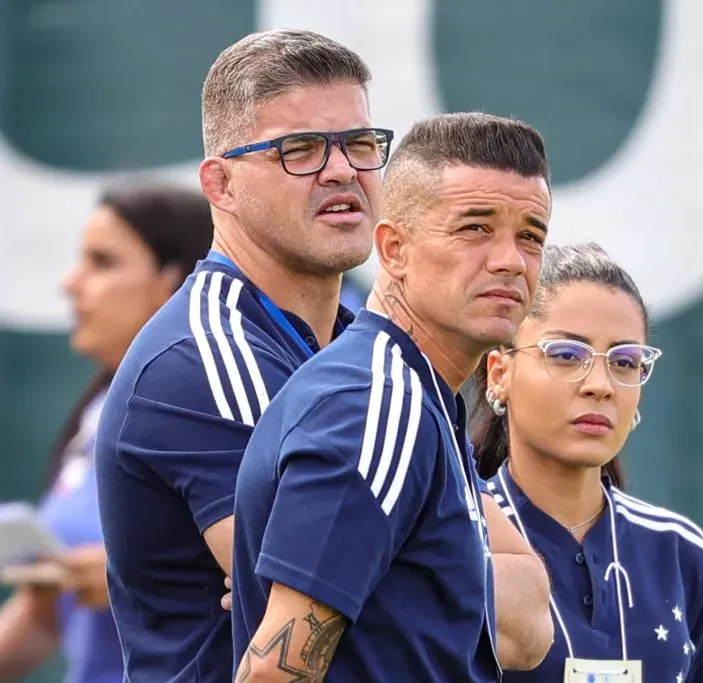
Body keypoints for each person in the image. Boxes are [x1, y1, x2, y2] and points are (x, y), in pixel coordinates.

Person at [94, 29, 390, 682]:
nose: (342, 170)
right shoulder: (203, 359)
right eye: (301, 150)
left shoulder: (371, 350)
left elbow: (525, 610)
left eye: (361, 145)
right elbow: (330, 612)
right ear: (220, 184)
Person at [232, 111, 555, 682]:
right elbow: (274, 673)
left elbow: (531, 625)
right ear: (395, 249)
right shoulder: (375, 404)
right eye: (475, 228)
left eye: (530, 235)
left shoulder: (416, 394)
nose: (510, 260)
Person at [472, 242, 703, 683]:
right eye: (567, 355)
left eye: (626, 361)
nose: (601, 386)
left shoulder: (681, 551)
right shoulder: (457, 535)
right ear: (500, 373)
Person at [0, 184, 212, 683]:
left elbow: (278, 570)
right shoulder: (97, 411)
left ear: (173, 280)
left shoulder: (212, 405)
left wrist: (137, 576)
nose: (72, 283)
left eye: (103, 262)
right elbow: (40, 616)